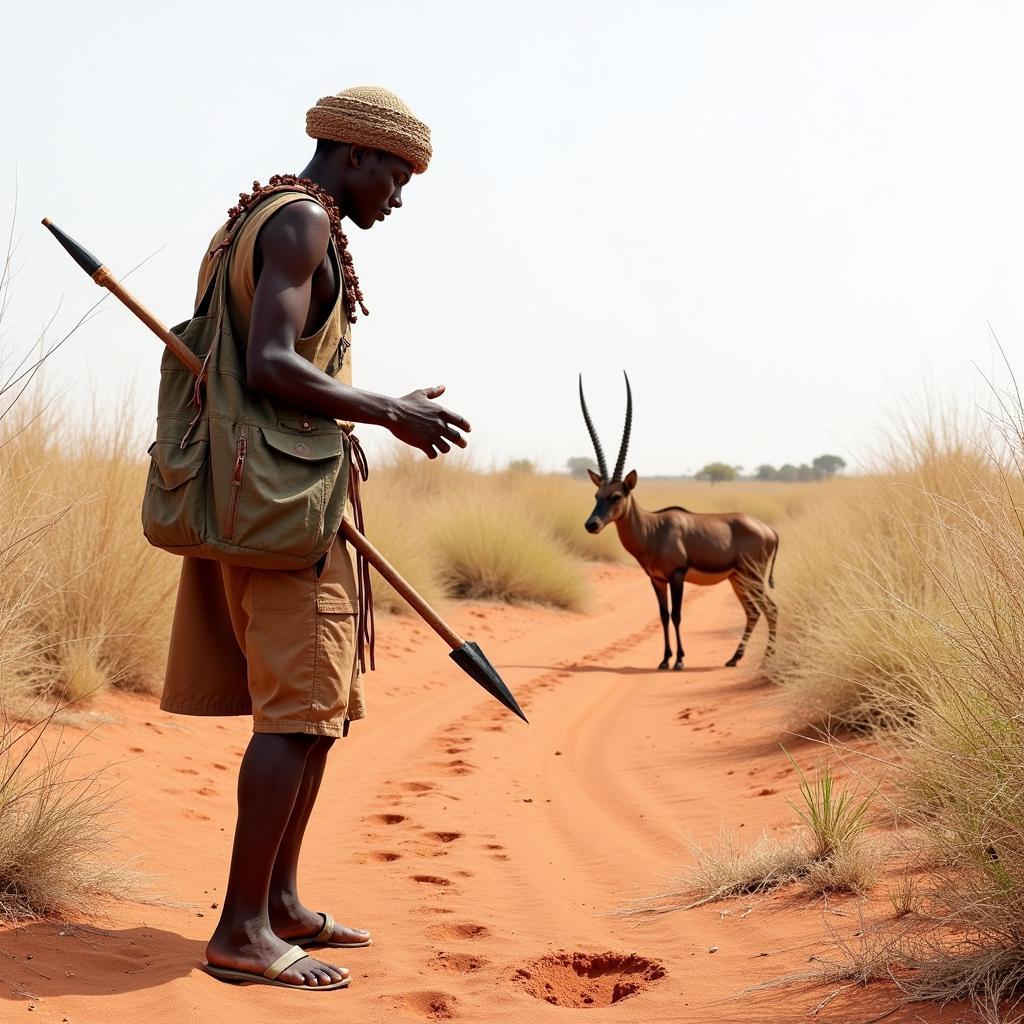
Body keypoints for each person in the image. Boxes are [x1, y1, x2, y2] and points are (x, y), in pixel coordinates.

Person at [158, 86, 470, 991]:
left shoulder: (262, 216)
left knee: (319, 716)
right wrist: (388, 411)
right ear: (356, 155)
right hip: (284, 512)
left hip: (266, 498)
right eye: (397, 177)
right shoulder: (297, 224)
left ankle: (283, 903)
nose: (398, 199)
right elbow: (267, 361)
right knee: (296, 719)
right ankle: (242, 932)